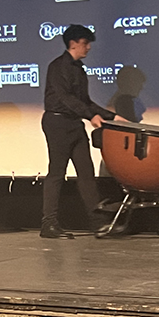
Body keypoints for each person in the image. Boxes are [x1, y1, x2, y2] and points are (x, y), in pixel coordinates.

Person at [40, 24, 125, 239]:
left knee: (86, 173)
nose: (88, 47)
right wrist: (90, 116)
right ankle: (49, 224)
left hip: (74, 124)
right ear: (73, 43)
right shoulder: (57, 66)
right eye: (85, 43)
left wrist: (111, 117)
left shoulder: (79, 69)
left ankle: (98, 224)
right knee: (57, 173)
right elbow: (65, 98)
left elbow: (85, 101)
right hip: (57, 123)